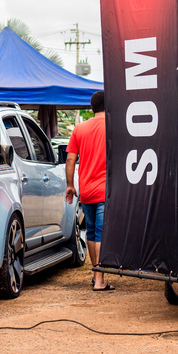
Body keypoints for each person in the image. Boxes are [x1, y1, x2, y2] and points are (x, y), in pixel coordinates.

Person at [65, 91, 113, 291]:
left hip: (86, 190)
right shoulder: (113, 127)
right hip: (105, 190)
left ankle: (96, 276)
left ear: (92, 107)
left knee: (92, 233)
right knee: (101, 234)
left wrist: (70, 185)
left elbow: (70, 159)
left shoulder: (79, 128)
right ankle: (100, 280)